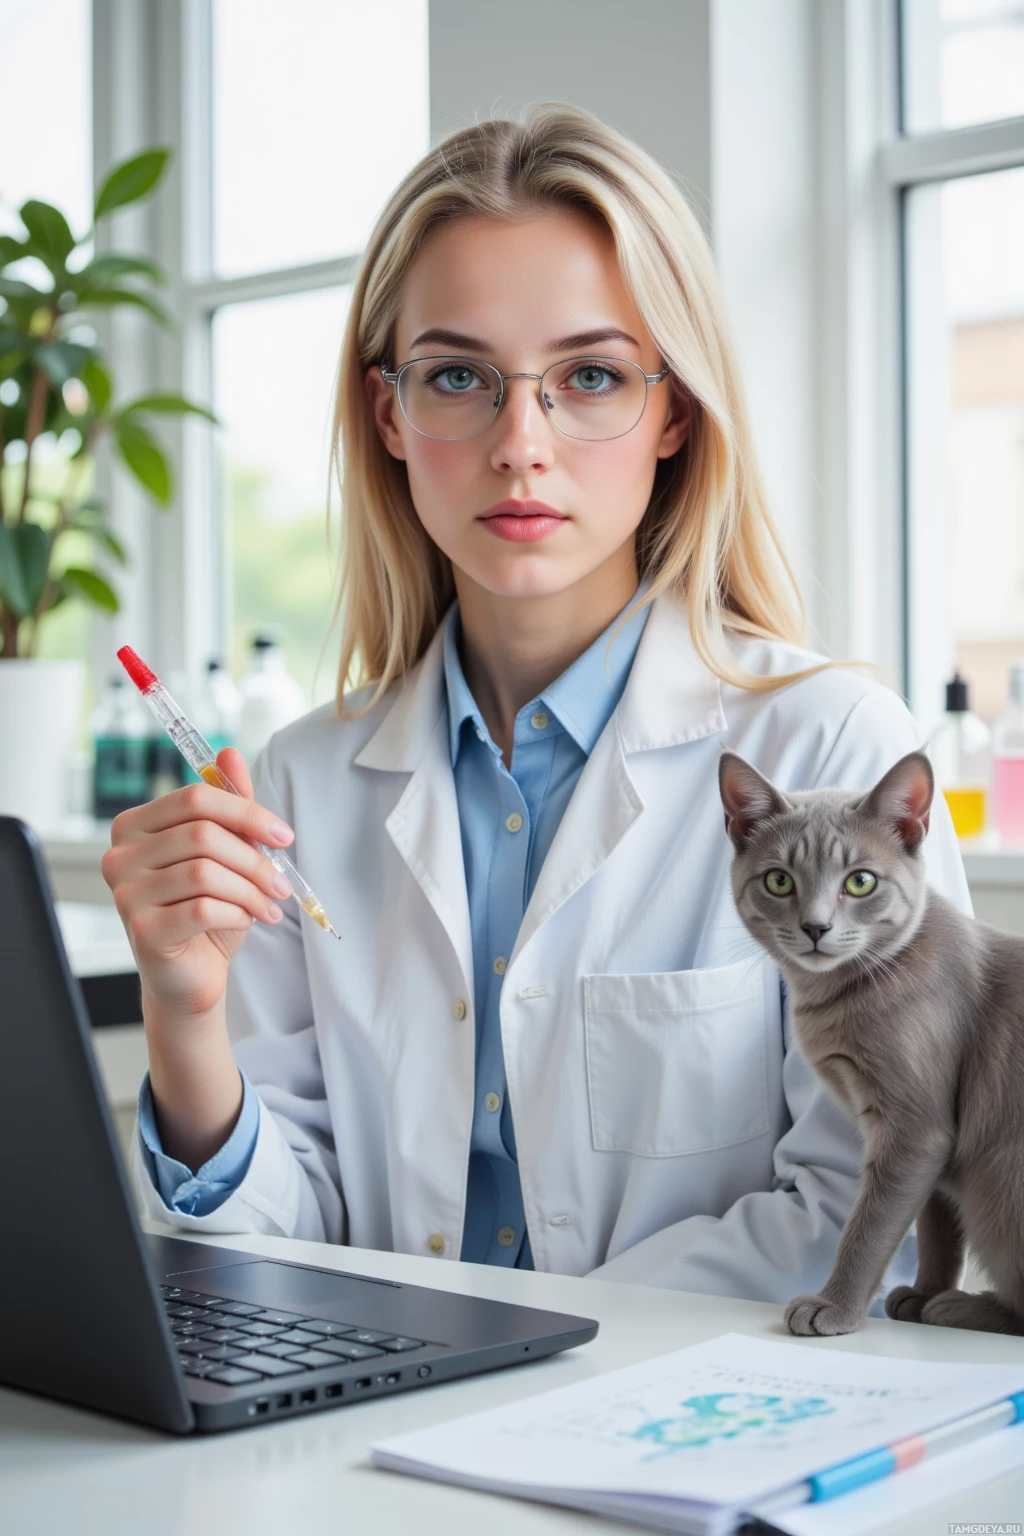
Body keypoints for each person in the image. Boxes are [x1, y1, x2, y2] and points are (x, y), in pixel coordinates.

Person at [104, 104, 969, 1305]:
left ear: (675, 412)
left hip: (688, 1444)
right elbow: (279, 1247)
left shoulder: (828, 749)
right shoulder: (298, 783)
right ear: (389, 415)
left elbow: (861, 1207)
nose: (521, 443)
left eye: (591, 377)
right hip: (374, 1458)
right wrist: (184, 1013)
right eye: (457, 376)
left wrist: (524, 1359)